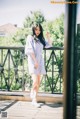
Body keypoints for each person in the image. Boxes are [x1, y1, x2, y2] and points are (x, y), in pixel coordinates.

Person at [25, 23, 52, 108]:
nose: (38, 31)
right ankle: (34, 98)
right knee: (35, 81)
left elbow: (49, 45)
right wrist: (35, 61)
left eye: (39, 30)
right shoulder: (30, 37)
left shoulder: (41, 39)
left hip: (40, 61)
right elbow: (30, 50)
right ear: (33, 29)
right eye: (36, 29)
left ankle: (34, 97)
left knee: (38, 81)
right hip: (33, 61)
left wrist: (48, 36)